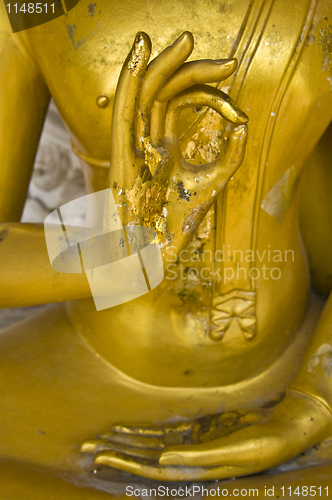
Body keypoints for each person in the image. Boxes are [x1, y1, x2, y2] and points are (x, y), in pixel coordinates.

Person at [0, 0, 332, 494]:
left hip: (304, 365)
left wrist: (313, 406)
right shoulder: (31, 11)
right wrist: (122, 246)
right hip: (93, 375)